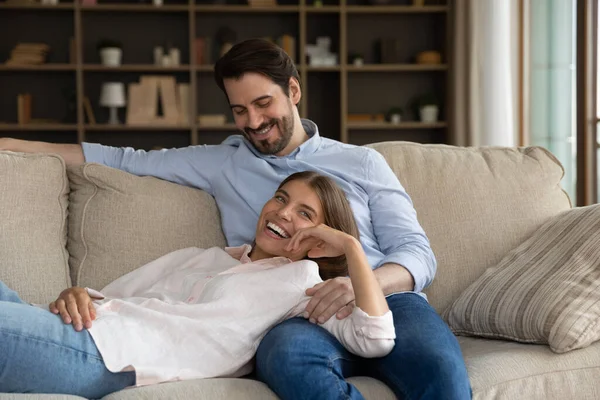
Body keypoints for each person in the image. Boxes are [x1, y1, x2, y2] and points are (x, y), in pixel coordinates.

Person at [0, 38, 471, 399]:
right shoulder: (223, 162)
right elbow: (121, 158)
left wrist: (359, 280)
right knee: (285, 356)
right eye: (240, 110)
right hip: (294, 306)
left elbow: (417, 252)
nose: (253, 122)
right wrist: (11, 146)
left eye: (264, 104)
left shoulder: (361, 163)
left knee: (441, 372)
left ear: (293, 91)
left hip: (388, 297)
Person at [0, 171, 396, 398]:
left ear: (321, 239)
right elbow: (109, 293)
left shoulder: (302, 286)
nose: (282, 212)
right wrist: (77, 292)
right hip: (80, 324)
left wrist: (350, 248)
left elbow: (376, 339)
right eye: (280, 198)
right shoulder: (201, 256)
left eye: (304, 213)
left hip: (106, 354)